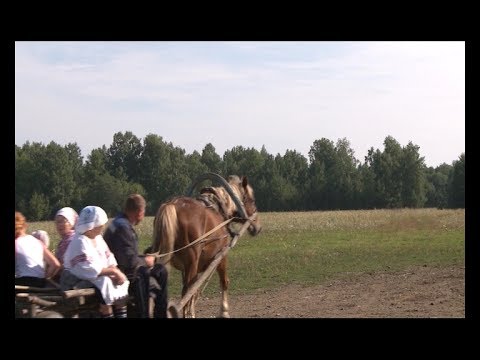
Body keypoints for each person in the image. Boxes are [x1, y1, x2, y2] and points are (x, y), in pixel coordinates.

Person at [104, 194, 168, 318]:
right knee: (151, 272)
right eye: (144, 212)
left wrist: (143, 258)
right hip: (124, 272)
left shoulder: (118, 222)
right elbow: (129, 262)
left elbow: (125, 253)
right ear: (139, 212)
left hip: (120, 266)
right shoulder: (123, 228)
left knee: (160, 270)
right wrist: (146, 261)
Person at [60, 206, 130, 318]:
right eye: (100, 224)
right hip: (78, 279)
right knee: (104, 283)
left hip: (98, 275)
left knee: (120, 283)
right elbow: (88, 269)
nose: (103, 226)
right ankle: (107, 313)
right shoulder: (80, 241)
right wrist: (113, 272)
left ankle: (121, 314)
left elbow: (109, 258)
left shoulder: (98, 238)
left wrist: (115, 271)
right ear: (93, 225)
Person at [15, 211, 61, 288]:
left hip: (23, 283)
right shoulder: (38, 242)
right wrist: (45, 278)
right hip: (40, 283)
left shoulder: (16, 242)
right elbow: (55, 264)